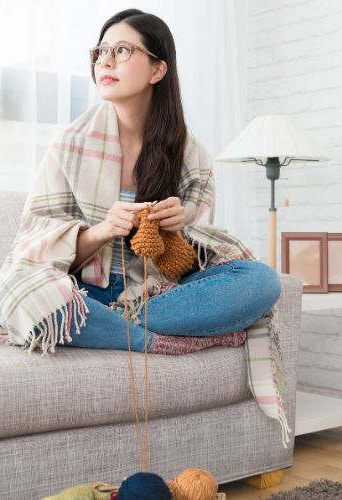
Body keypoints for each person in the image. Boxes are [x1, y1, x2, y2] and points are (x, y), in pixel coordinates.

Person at [47, 8, 281, 354]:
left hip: (156, 292)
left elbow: (185, 266)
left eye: (123, 50)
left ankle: (114, 326)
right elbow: (40, 251)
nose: (105, 62)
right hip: (85, 290)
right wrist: (103, 229)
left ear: (158, 69)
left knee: (261, 282)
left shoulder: (190, 154)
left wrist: (180, 224)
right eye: (101, 51)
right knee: (40, 301)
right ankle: (160, 340)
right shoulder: (68, 145)